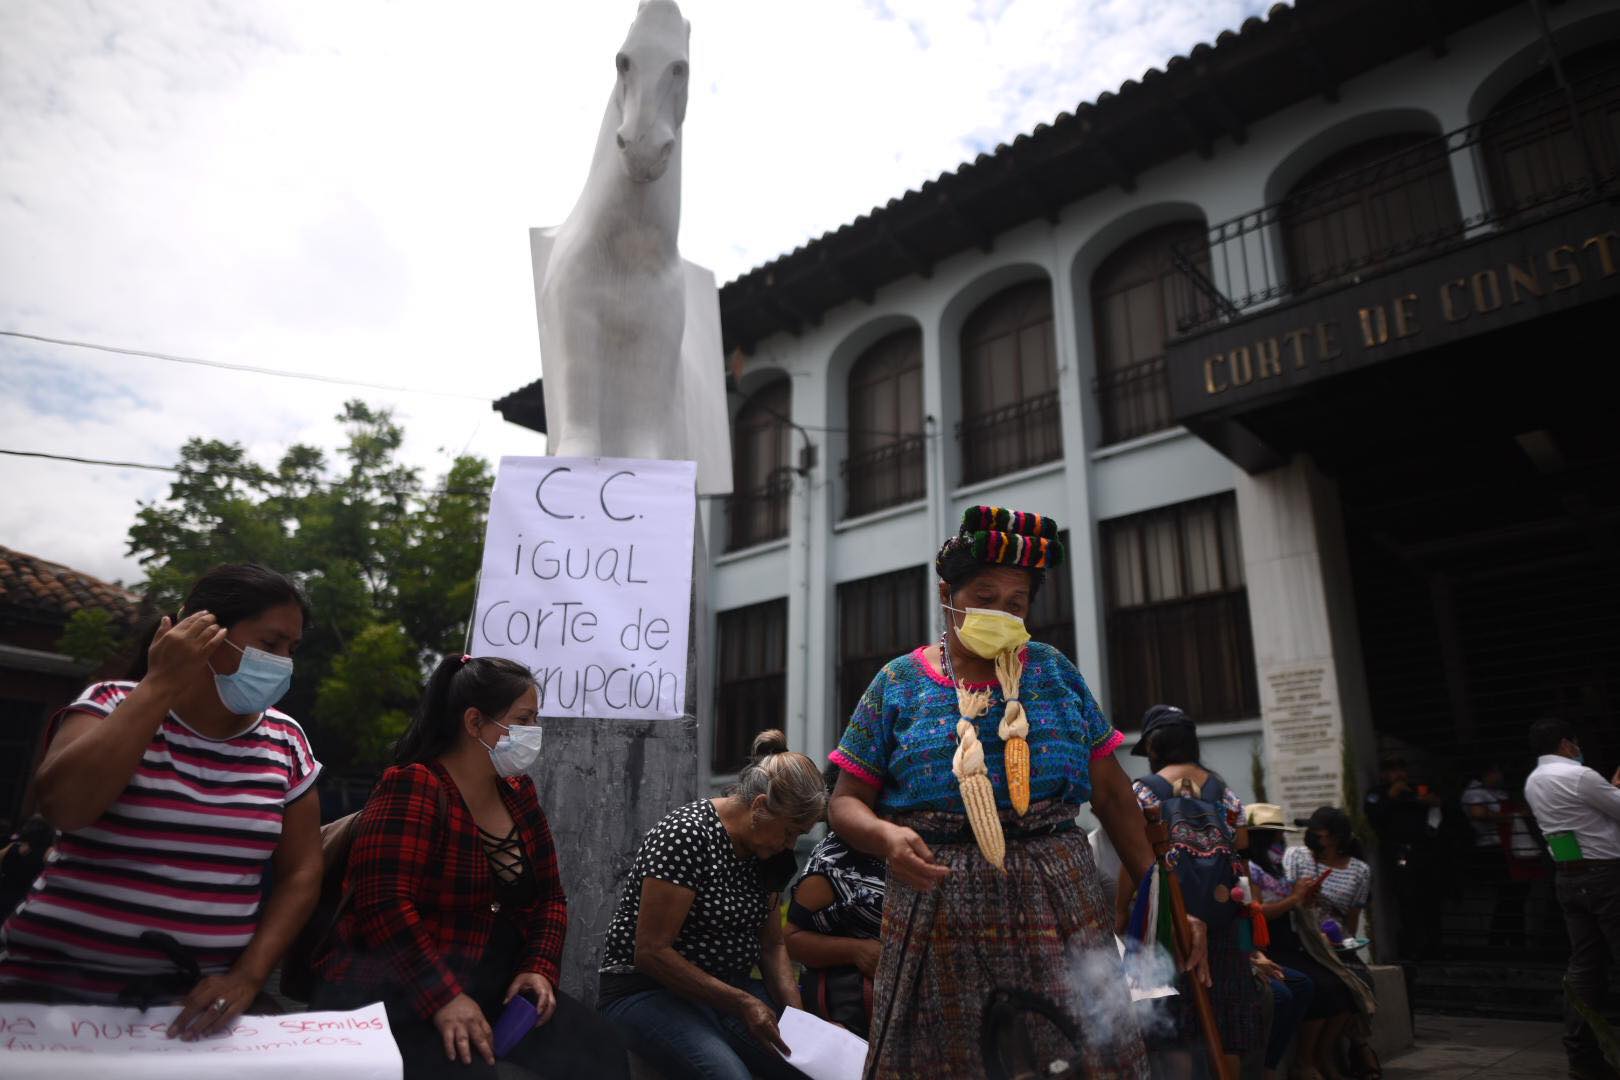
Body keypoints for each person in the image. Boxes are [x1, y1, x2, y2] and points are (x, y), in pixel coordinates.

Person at [829, 506, 1163, 1080]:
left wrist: (1163, 904)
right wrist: (886, 837)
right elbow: (843, 802)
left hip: (1058, 902)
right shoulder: (896, 684)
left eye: (1016, 602)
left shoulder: (1055, 673)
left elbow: (1111, 797)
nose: (1001, 612)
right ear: (947, 594)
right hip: (938, 904)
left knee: (1074, 1054)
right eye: (985, 596)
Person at [0, 564, 322, 1040]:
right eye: (269, 645)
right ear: (201, 633)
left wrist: (247, 977)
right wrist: (160, 684)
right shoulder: (110, 703)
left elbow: (301, 871)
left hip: (189, 1010)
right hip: (45, 999)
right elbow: (66, 807)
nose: (282, 662)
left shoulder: (286, 740)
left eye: (291, 650)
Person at [312, 654, 623, 1080]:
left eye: (535, 719)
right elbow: (383, 903)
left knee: (599, 1049)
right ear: (474, 722)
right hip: (400, 988)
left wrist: (538, 968)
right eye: (523, 719)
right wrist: (443, 998)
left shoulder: (518, 792)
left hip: (491, 983)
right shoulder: (413, 785)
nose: (533, 733)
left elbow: (549, 896)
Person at [598, 728, 820, 1080]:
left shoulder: (769, 852)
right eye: (790, 832)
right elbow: (652, 952)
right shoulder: (686, 835)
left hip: (725, 992)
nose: (790, 844)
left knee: (806, 1067)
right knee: (728, 1075)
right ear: (760, 808)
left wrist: (799, 1020)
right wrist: (742, 1002)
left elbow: (772, 943)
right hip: (648, 992)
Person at [1130, 705, 1264, 1077]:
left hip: (1171, 923)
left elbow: (1134, 857)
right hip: (1224, 922)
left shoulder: (1142, 791)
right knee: (1227, 1028)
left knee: (1175, 1032)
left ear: (1153, 748)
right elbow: (1241, 847)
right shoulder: (1223, 791)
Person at [1522, 717, 1620, 1080]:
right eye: (1576, 744)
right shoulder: (1580, 776)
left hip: (1569, 876)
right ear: (1566, 744)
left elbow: (1584, 818)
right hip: (1605, 876)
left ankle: (1582, 1058)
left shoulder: (1534, 782)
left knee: (1584, 968)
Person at [1244, 803, 1372, 1080]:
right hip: (1271, 944)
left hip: (1292, 939)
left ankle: (1320, 1056)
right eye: (1277, 835)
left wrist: (1303, 898)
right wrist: (1294, 899)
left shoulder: (1275, 864)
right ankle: (1303, 1062)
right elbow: (1257, 911)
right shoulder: (1251, 868)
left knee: (1343, 984)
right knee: (1314, 986)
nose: (1281, 840)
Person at [782, 767, 886, 1039]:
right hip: (851, 1010)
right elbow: (790, 940)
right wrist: (855, 950)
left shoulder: (889, 846)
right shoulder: (831, 864)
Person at [1286, 807, 1379, 1079]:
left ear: (1337, 838)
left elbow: (1352, 917)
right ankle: (1324, 1057)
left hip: (1335, 942)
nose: (1313, 838)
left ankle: (1330, 1051)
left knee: (1359, 982)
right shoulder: (1297, 857)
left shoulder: (1359, 870)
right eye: (1312, 832)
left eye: (1320, 834)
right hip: (1303, 936)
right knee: (1330, 985)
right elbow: (1287, 898)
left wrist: (1343, 944)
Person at [1362, 757, 1440, 959]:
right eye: (1393, 770)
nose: (1399, 775)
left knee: (1429, 899)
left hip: (1424, 853)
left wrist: (1430, 802)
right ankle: (1411, 949)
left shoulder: (1416, 790)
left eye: (1401, 770)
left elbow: (1436, 809)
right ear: (1384, 775)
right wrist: (1391, 796)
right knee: (1407, 900)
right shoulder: (1378, 794)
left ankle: (1432, 946)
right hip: (1398, 854)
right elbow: (1373, 815)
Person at [1460, 762, 1527, 948]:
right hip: (1494, 849)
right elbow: (1478, 813)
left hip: (1509, 847)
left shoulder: (1496, 792)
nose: (1500, 776)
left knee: (1515, 897)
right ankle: (1500, 942)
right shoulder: (1475, 793)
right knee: (1508, 897)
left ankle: (1513, 940)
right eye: (1497, 772)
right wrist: (1513, 816)